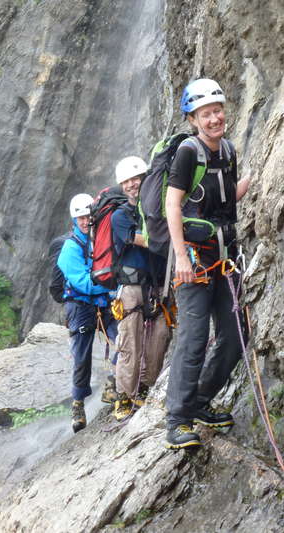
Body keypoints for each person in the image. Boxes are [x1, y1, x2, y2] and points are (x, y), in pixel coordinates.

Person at [163, 78, 251, 449]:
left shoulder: (227, 151)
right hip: (194, 263)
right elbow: (172, 204)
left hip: (224, 259)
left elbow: (226, 200)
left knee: (236, 335)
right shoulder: (188, 152)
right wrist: (181, 256)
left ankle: (200, 402)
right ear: (193, 119)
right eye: (205, 114)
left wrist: (253, 179)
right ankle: (177, 421)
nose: (214, 118)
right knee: (194, 338)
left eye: (217, 110)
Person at [110, 157, 171, 421]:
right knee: (130, 344)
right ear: (121, 186)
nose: (132, 184)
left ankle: (145, 388)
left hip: (158, 285)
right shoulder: (120, 216)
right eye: (127, 181)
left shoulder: (156, 209)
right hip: (132, 287)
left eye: (136, 178)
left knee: (159, 339)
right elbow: (142, 241)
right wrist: (172, 236)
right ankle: (123, 396)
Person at [57, 193, 117, 433]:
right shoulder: (71, 248)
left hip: (103, 301)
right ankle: (78, 403)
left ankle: (114, 381)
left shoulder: (98, 239)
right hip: (81, 304)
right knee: (82, 356)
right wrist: (112, 284)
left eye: (88, 216)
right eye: (81, 217)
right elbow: (82, 282)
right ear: (75, 219)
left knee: (125, 338)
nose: (85, 221)